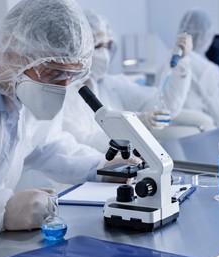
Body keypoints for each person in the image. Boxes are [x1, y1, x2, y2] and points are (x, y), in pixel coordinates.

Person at [0, 0, 118, 239]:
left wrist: (100, 168)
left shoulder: (18, 87)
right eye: (55, 72)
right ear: (9, 49)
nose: (62, 87)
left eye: (71, 76)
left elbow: (47, 145)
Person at [61, 9, 193, 153]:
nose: (105, 54)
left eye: (108, 45)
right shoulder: (64, 98)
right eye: (98, 46)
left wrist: (181, 63)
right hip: (93, 172)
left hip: (122, 167)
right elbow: (84, 145)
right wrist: (133, 125)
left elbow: (163, 108)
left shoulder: (110, 85)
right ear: (77, 48)